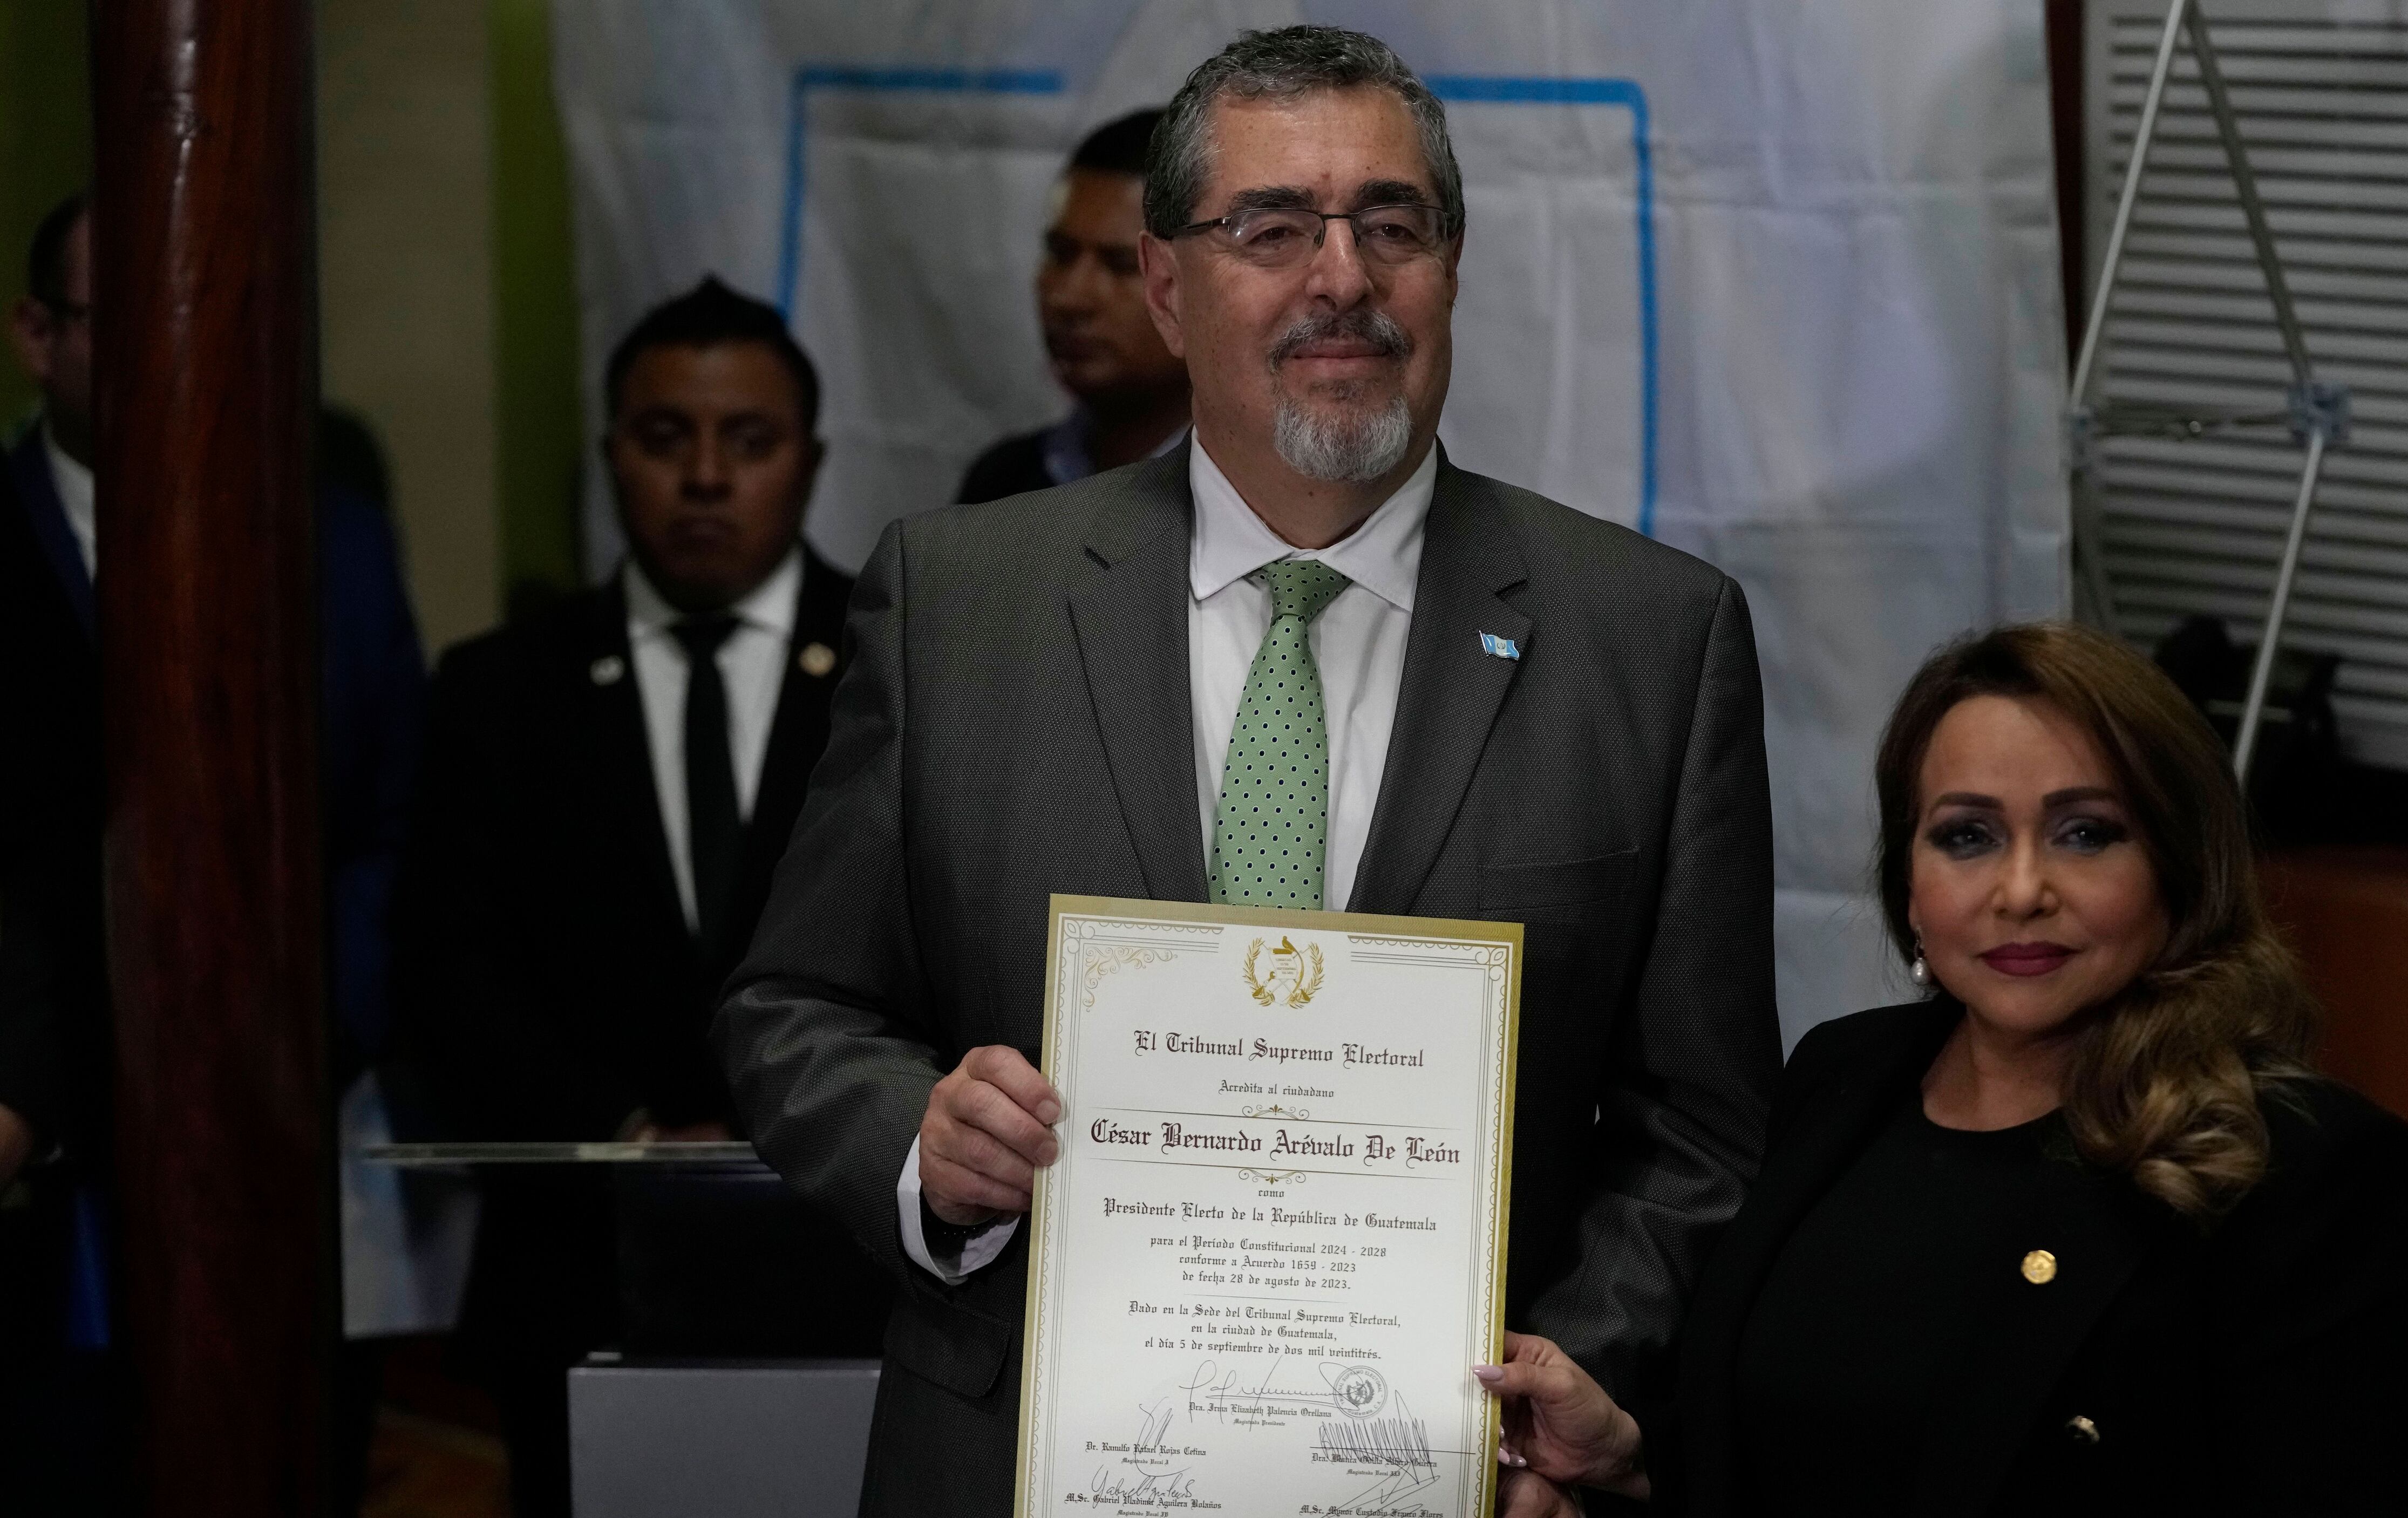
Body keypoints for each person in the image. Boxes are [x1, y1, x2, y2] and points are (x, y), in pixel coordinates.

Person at [716, 24, 1781, 1518]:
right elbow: (795, 1004)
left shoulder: (1653, 643)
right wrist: (918, 1141)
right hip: (1020, 1452)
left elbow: (1702, 1122)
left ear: (1452, 269)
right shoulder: (962, 605)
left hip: (1457, 1464)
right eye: (1271, 227)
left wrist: (1581, 1363)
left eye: (1391, 224)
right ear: (1167, 286)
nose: (1341, 275)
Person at [1476, 622, 2408, 1516]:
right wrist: (1631, 1456)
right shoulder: (1843, 1076)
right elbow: (1807, 1445)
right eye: (1968, 836)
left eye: (2086, 832)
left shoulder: (2301, 1170)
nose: (2022, 891)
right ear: (1911, 882)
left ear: (2180, 868)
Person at [393, 276, 856, 1517]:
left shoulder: (899, 664)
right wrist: (633, 1136)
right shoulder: (500, 687)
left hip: (853, 1268)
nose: (705, 476)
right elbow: (447, 970)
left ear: (808, 463)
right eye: (666, 439)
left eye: (747, 441)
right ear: (611, 458)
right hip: (576, 1267)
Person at [0, 190, 433, 1513]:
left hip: (289, 1137)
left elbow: (397, 823)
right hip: (37, 1172)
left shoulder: (334, 541)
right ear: (38, 335)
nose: (170, 350)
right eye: (123, 318)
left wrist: (299, 1036)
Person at [955, 107, 1190, 502]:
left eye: (1120, 266)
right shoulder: (1003, 484)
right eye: (1060, 254)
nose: (1069, 298)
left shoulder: (1273, 510)